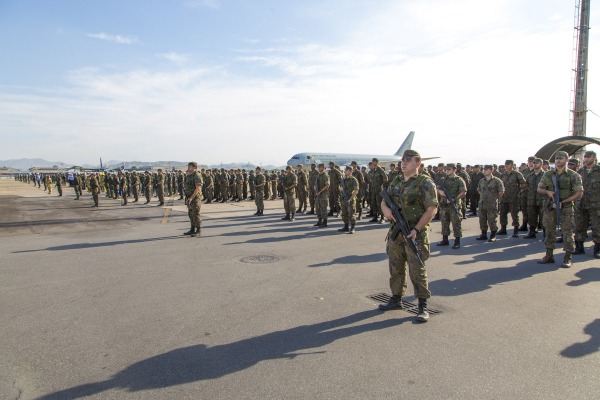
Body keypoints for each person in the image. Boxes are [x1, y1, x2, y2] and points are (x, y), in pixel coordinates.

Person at [378, 150, 438, 323]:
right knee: (395, 266)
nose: (403, 163)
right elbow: (384, 200)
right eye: (402, 160)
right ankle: (396, 298)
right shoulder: (396, 181)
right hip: (396, 233)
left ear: (417, 164)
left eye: (408, 160)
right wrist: (386, 211)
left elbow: (432, 208)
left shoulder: (425, 183)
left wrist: (417, 229)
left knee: (417, 270)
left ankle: (422, 305)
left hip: (414, 234)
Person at [537, 151, 583, 267]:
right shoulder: (548, 174)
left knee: (567, 232)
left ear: (567, 160)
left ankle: (568, 257)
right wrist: (548, 192)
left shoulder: (574, 175)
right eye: (557, 158)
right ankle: (549, 255)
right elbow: (539, 189)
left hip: (566, 207)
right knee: (549, 231)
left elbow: (579, 193)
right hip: (550, 206)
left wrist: (563, 201)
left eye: (561, 158)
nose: (558, 160)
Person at [575, 150, 600, 258]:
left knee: (597, 227)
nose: (585, 158)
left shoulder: (598, 170)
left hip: (596, 205)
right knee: (579, 225)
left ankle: (597, 249)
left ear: (594, 157)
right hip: (581, 204)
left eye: (588, 156)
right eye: (584, 156)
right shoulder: (580, 171)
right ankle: (579, 247)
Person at [436, 163, 467, 249]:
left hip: (454, 205)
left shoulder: (459, 180)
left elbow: (463, 192)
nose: (447, 171)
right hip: (444, 205)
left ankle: (457, 241)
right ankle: (445, 240)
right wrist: (440, 192)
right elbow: (437, 188)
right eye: (446, 169)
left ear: (454, 170)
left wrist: (454, 199)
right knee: (444, 222)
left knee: (456, 223)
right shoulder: (443, 179)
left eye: (449, 169)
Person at [476, 165, 505, 242]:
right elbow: (479, 190)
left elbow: (501, 192)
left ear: (491, 170)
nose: (484, 171)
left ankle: (493, 235)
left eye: (486, 169)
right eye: (484, 169)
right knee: (482, 219)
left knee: (492, 220)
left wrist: (493, 198)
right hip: (482, 204)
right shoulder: (482, 181)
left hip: (492, 204)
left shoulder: (497, 181)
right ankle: (483, 234)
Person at [498, 160, 526, 237]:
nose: (506, 165)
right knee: (502, 214)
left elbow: (523, 184)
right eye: (505, 164)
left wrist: (517, 190)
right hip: (504, 198)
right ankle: (503, 229)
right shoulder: (502, 175)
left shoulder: (517, 174)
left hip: (514, 198)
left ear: (512, 165)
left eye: (508, 164)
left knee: (514, 214)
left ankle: (516, 230)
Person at [523, 158, 545, 239]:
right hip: (531, 199)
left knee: (544, 217)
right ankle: (532, 232)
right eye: (534, 163)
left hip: (542, 199)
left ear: (541, 164)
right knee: (532, 216)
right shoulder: (530, 176)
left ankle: (545, 234)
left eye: (537, 163)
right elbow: (527, 185)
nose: (535, 164)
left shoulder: (546, 175)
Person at [183, 162, 203, 237]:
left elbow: (197, 188)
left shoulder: (197, 175)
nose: (188, 167)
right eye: (188, 166)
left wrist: (191, 198)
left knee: (196, 214)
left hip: (195, 198)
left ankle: (198, 230)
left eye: (190, 166)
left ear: (195, 167)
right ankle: (192, 229)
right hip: (189, 197)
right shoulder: (189, 175)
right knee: (190, 214)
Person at [338, 166, 359, 233]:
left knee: (351, 214)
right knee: (344, 213)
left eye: (346, 170)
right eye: (345, 170)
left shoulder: (353, 180)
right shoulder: (343, 179)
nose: (345, 171)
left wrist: (350, 199)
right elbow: (341, 187)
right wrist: (340, 189)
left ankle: (352, 228)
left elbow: (356, 191)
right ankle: (346, 226)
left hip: (350, 199)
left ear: (350, 171)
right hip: (343, 199)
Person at [314, 163, 330, 228]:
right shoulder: (318, 175)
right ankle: (319, 221)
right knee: (318, 208)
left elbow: (327, 185)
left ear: (323, 168)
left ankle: (325, 222)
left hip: (323, 194)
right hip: (318, 194)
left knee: (323, 208)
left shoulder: (325, 175)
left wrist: (320, 191)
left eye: (319, 167)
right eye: (318, 167)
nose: (318, 168)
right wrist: (315, 188)